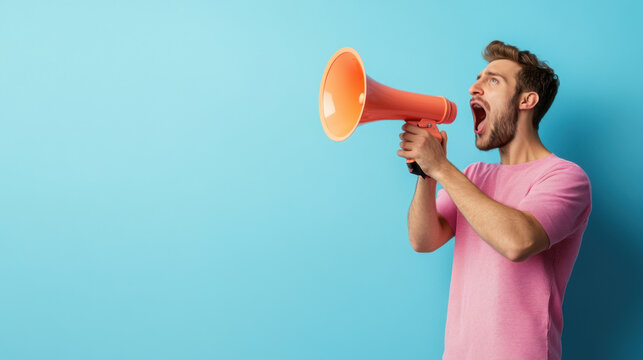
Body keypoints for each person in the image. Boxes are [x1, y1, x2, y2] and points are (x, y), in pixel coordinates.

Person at [397, 40, 591, 360]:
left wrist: (442, 167)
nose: (474, 88)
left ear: (527, 100)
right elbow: (423, 239)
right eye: (477, 78)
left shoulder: (566, 177)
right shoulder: (473, 176)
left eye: (493, 80)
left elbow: (517, 241)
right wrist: (427, 175)